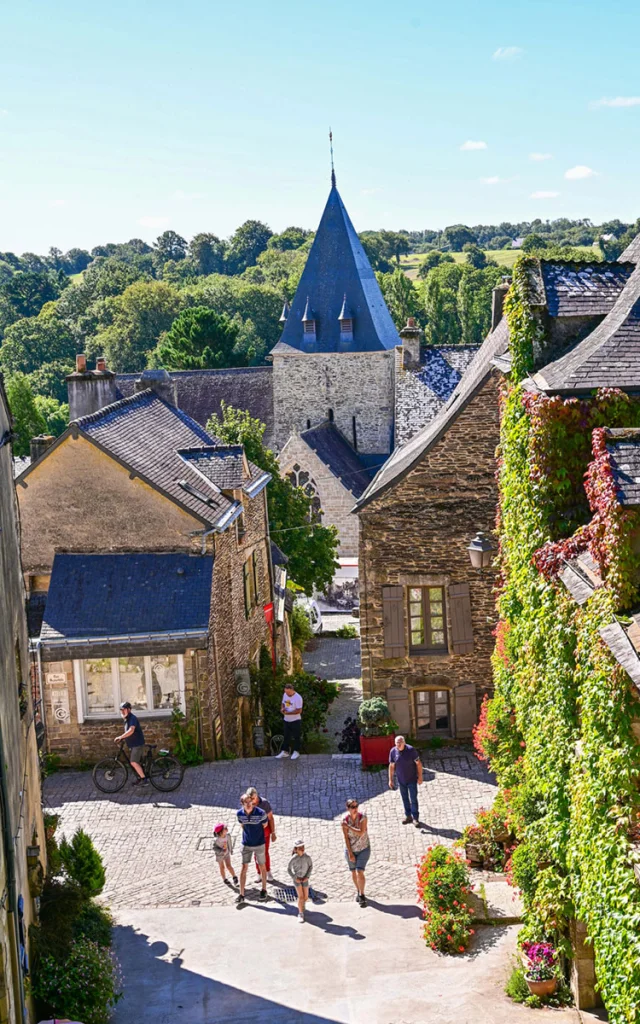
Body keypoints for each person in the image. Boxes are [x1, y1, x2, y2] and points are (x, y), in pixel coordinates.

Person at [236, 791, 268, 905]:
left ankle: (264, 890)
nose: (249, 804)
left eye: (250, 801)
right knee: (244, 867)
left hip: (259, 843)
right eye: (246, 802)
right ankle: (241, 894)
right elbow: (242, 824)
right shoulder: (239, 814)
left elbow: (265, 824)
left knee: (262, 866)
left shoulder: (260, 813)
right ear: (242, 803)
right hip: (246, 844)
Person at [388, 735, 423, 826]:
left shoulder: (411, 751)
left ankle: (415, 818)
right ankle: (408, 816)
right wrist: (390, 780)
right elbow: (392, 766)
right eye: (397, 743)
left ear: (404, 742)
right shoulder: (393, 751)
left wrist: (420, 777)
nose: (398, 745)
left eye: (400, 742)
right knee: (405, 799)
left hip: (411, 779)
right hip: (401, 780)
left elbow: (418, 764)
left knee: (413, 799)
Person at [342, 798, 370, 906]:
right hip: (351, 849)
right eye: (352, 807)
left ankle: (362, 895)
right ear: (348, 808)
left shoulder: (362, 817)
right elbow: (346, 838)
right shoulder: (344, 820)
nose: (355, 809)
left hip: (364, 848)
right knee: (353, 871)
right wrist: (350, 853)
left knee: (360, 871)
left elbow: (361, 832)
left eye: (356, 806)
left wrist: (349, 827)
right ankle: (358, 890)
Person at [247, 786, 277, 883]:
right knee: (256, 854)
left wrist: (273, 833)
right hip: (254, 834)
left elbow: (271, 818)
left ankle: (268, 871)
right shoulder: (247, 804)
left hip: (265, 833)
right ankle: (258, 873)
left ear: (257, 795)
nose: (252, 801)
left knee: (265, 853)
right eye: (250, 799)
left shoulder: (264, 803)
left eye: (253, 798)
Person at [114, 701, 148, 786]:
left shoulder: (132, 718)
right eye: (121, 710)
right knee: (136, 762)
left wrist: (121, 737)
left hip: (137, 744)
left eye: (124, 710)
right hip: (133, 744)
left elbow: (131, 730)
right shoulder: (126, 719)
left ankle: (144, 780)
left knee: (133, 762)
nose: (122, 712)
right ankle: (140, 777)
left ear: (129, 710)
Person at [274, 682, 303, 760]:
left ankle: (296, 751)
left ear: (292, 690)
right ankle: (285, 751)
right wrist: (282, 708)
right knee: (286, 736)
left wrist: (289, 713)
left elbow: (299, 710)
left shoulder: (298, 698)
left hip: (295, 720)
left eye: (288, 692)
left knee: (296, 736)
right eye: (285, 692)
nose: (287, 693)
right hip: (286, 720)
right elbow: (283, 703)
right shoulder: (285, 694)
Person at [288, 839, 313, 923]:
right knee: (301, 897)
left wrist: (307, 876)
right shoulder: (293, 859)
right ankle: (300, 913)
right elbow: (289, 869)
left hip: (305, 879)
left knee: (306, 897)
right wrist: (295, 877)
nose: (302, 849)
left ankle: (302, 905)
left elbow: (310, 867)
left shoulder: (307, 858)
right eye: (299, 848)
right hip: (297, 880)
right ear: (296, 849)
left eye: (303, 847)